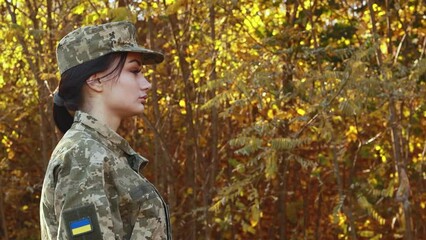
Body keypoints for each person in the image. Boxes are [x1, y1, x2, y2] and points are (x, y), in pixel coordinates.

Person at [40, 21, 172, 240]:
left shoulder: (101, 152)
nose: (147, 83)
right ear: (96, 80)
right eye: (134, 71)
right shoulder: (83, 157)